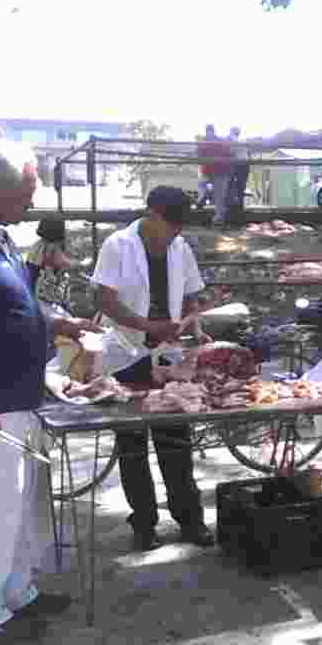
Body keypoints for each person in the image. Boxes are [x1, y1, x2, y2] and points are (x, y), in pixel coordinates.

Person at [0, 139, 101, 643]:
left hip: (21, 402)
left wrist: (60, 322)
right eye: (27, 193)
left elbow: (14, 306)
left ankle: (17, 595)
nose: (32, 205)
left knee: (19, 512)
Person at [91, 186, 216, 551]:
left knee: (176, 437)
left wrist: (194, 324)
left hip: (168, 353)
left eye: (180, 225)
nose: (175, 231)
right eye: (170, 223)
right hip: (126, 353)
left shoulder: (180, 247)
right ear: (151, 214)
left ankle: (189, 518)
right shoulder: (118, 245)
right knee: (132, 444)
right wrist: (148, 326)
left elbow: (191, 294)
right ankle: (143, 524)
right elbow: (106, 301)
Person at [196, 124, 232, 226]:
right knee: (218, 196)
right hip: (217, 170)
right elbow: (228, 153)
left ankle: (205, 195)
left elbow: (198, 154)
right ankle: (218, 218)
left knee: (204, 186)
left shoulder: (204, 141)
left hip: (213, 170)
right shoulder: (218, 141)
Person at [227, 127, 251, 216]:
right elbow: (249, 153)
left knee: (231, 185)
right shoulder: (244, 140)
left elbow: (231, 152)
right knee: (241, 186)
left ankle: (232, 207)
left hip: (237, 164)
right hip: (245, 164)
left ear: (232, 132)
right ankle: (240, 206)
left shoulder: (232, 139)